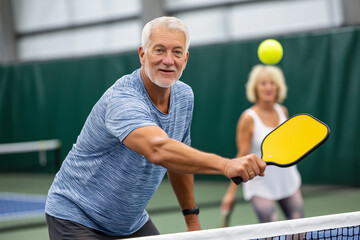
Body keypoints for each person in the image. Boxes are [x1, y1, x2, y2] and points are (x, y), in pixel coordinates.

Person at [45, 16, 266, 240]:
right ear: (142, 54)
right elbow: (158, 150)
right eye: (159, 50)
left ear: (186, 59)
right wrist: (226, 165)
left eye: (177, 52)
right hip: (76, 217)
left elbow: (178, 159)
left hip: (130, 222)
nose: (168, 60)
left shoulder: (184, 96)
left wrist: (192, 221)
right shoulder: (122, 99)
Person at [220, 65, 304, 225]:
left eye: (272, 83)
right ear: (255, 88)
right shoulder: (248, 118)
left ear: (278, 87)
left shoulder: (283, 111)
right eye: (263, 83)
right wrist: (230, 193)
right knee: (270, 227)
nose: (268, 87)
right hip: (260, 185)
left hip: (288, 180)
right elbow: (241, 156)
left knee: (299, 229)